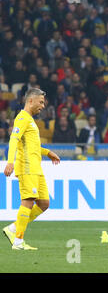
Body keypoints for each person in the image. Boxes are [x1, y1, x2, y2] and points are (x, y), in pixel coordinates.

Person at [2, 88, 60, 250]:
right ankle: (18, 242)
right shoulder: (22, 118)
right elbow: (14, 139)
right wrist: (10, 161)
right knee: (28, 201)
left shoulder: (31, 121)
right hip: (27, 167)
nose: (43, 106)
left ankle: (13, 228)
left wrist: (48, 152)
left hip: (36, 168)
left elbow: (34, 146)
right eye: (41, 102)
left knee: (44, 203)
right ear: (30, 101)